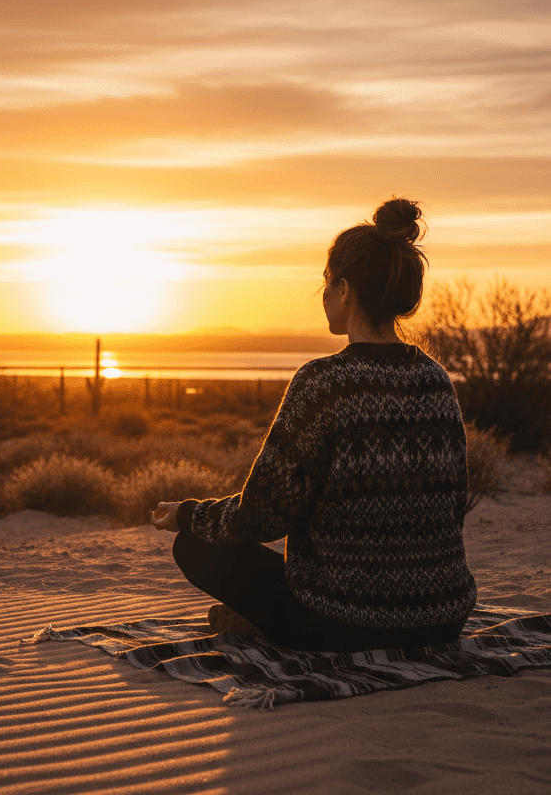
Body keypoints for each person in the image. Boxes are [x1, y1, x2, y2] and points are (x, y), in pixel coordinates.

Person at [151, 197, 477, 653]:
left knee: (195, 546)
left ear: (344, 290)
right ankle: (261, 620)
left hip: (347, 624)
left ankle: (266, 624)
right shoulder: (435, 380)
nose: (322, 294)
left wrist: (188, 513)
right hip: (444, 618)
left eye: (326, 282)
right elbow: (453, 504)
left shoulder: (324, 382)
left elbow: (262, 516)